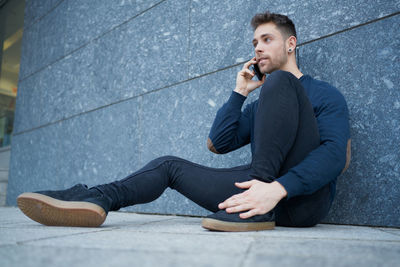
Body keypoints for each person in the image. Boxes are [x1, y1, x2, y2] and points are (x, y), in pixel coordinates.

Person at [17, 11, 351, 232]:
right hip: (252, 196)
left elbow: (336, 154)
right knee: (167, 166)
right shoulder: (261, 100)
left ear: (291, 44)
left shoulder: (323, 94)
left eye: (266, 40)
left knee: (280, 82)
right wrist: (239, 93)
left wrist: (275, 189)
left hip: (302, 202)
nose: (257, 49)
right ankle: (97, 197)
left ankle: (260, 207)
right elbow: (220, 143)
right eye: (254, 43)